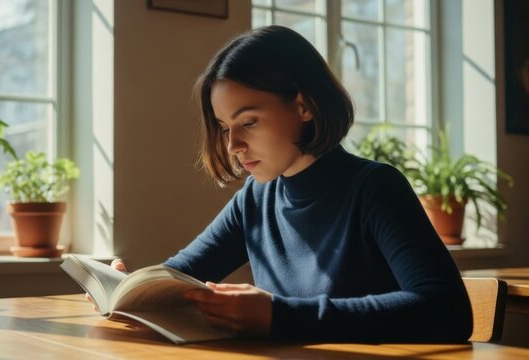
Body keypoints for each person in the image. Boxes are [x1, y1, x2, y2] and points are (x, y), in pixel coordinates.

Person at [93, 25, 473, 343]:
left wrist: (280, 315)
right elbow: (179, 278)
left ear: (304, 106)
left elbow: (448, 311)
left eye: (249, 122)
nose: (232, 146)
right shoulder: (255, 199)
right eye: (226, 128)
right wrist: (129, 290)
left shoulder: (375, 188)